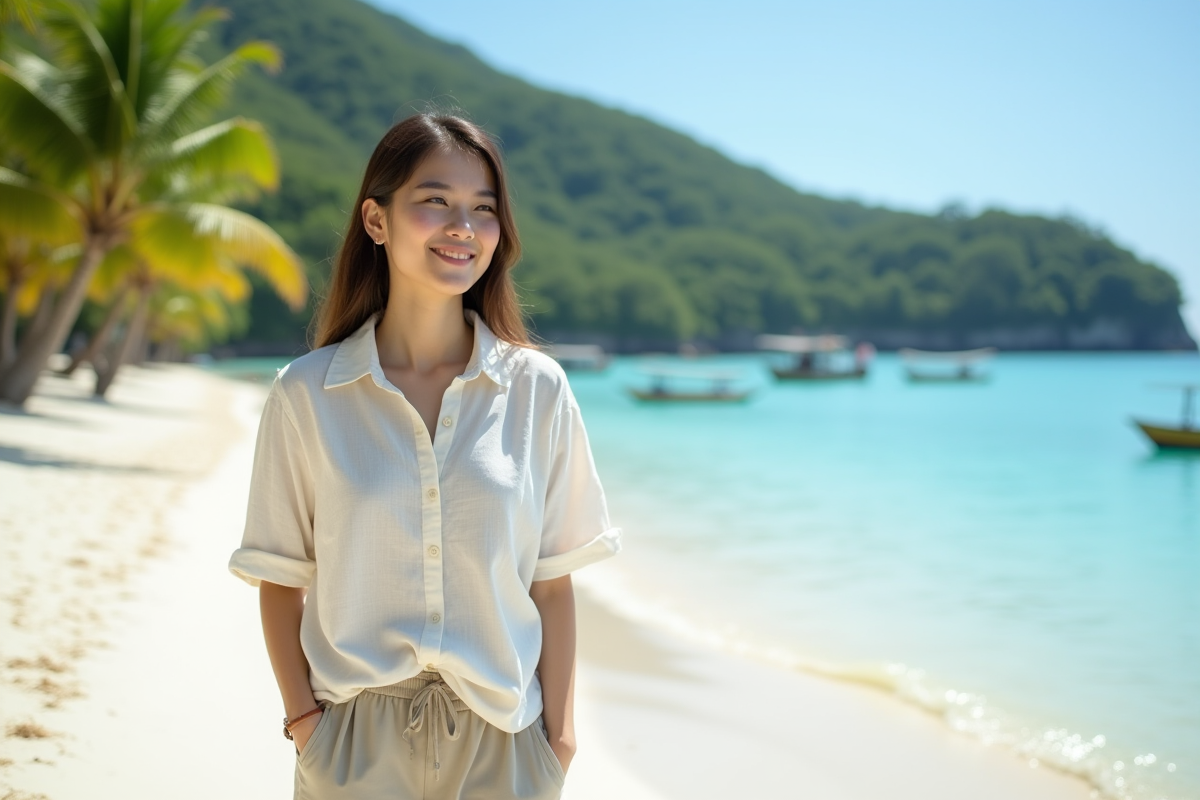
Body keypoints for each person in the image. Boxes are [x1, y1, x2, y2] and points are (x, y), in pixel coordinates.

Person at [229, 113, 621, 799]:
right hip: (353, 744)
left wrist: (558, 741)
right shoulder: (307, 394)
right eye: (435, 200)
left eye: (483, 209)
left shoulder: (537, 390)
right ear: (376, 220)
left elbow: (552, 583)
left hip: (505, 742)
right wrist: (306, 726)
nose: (463, 227)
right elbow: (280, 577)